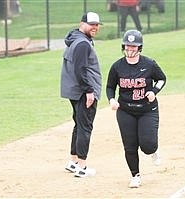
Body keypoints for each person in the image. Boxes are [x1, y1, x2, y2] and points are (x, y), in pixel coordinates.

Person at [106, 30, 166, 188]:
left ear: (139, 48)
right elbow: (110, 87)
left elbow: (161, 79)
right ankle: (135, 176)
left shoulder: (149, 64)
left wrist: (153, 91)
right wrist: (111, 99)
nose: (130, 49)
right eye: (127, 46)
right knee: (130, 145)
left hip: (147, 110)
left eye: (133, 46)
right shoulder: (117, 66)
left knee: (148, 145)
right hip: (125, 110)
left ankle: (154, 151)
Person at [60, 12, 102, 178]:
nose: (95, 27)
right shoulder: (82, 44)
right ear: (82, 23)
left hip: (75, 91)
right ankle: (82, 166)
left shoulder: (75, 39)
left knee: (79, 125)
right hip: (83, 92)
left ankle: (74, 161)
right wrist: (89, 90)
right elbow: (80, 69)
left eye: (97, 25)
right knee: (85, 126)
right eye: (91, 24)